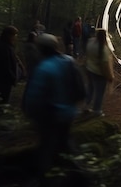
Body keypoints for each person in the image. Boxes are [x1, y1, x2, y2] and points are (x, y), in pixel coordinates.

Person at [22, 33, 85, 177]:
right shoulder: (69, 61)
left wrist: (29, 112)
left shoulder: (43, 68)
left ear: (41, 49)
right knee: (65, 142)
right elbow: (80, 87)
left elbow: (34, 97)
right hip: (68, 113)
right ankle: (78, 173)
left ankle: (48, 176)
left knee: (47, 147)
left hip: (49, 117)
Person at [84, 29, 114, 116]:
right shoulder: (104, 49)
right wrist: (109, 76)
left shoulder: (90, 42)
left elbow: (87, 55)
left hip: (89, 69)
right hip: (99, 74)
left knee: (90, 89)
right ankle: (97, 110)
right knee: (99, 92)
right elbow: (105, 66)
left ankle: (86, 106)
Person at [0, 25, 20, 104]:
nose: (15, 37)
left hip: (5, 79)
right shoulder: (3, 47)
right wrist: (12, 77)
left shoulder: (8, 46)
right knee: (2, 99)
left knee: (3, 99)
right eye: (14, 35)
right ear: (8, 35)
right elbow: (5, 66)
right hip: (4, 79)